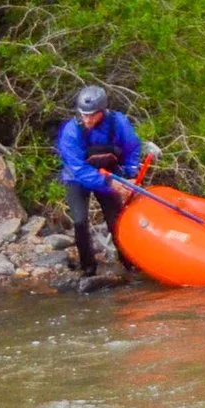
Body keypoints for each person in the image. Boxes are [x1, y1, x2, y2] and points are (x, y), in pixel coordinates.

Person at [55, 85, 144, 277]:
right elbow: (79, 169)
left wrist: (130, 174)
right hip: (77, 178)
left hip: (108, 174)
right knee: (80, 222)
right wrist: (109, 184)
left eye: (92, 115)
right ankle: (88, 269)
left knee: (116, 220)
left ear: (102, 111)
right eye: (83, 114)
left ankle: (130, 264)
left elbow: (132, 147)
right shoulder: (71, 131)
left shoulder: (118, 123)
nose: (87, 119)